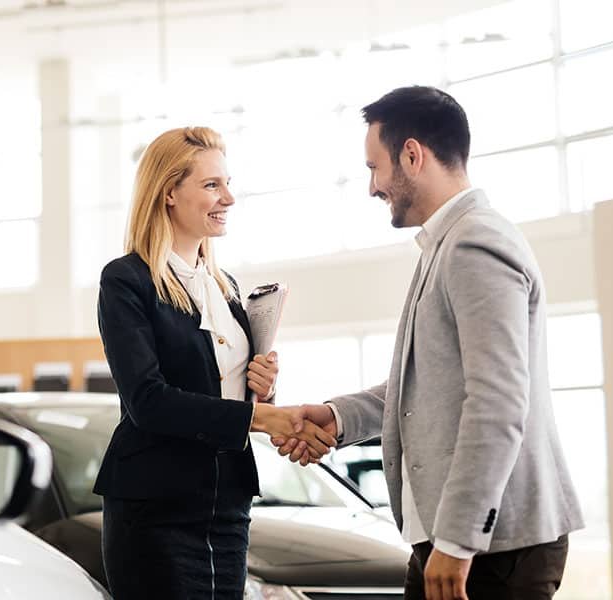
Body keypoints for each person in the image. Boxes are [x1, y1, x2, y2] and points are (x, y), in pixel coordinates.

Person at [274, 87, 584, 600]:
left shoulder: (475, 243)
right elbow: (429, 386)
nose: (373, 187)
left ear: (413, 155)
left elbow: (498, 400)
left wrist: (459, 541)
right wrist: (339, 415)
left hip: (490, 549)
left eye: (375, 167)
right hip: (456, 541)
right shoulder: (447, 245)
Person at [92, 126, 336, 600]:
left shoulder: (225, 287)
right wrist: (261, 416)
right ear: (168, 193)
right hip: (156, 509)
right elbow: (148, 401)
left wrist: (262, 391)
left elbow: (225, 394)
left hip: (228, 507)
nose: (229, 196)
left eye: (227, 182)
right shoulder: (126, 281)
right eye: (211, 185)